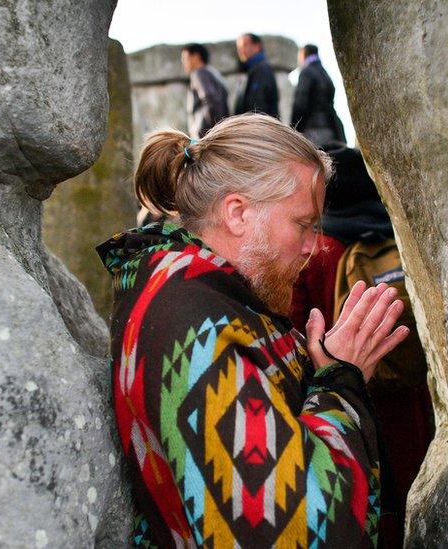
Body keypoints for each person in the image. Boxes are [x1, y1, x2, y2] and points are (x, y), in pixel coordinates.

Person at [97, 114, 410, 547]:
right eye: (302, 224)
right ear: (238, 213)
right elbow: (292, 530)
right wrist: (340, 384)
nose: (313, 244)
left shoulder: (201, 296)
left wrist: (324, 364)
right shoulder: (194, 325)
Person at [290, 144, 434, 548]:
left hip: (349, 395)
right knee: (411, 478)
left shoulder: (316, 251)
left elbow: (297, 327)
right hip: (407, 390)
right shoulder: (396, 236)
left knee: (369, 492)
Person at [290, 44, 346, 147]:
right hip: (331, 131)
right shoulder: (325, 74)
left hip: (312, 132)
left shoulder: (306, 72)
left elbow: (300, 104)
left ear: (304, 54)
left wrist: (293, 130)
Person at [181, 43, 229, 139]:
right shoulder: (211, 72)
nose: (183, 62)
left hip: (205, 136)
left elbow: (210, 100)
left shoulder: (199, 74)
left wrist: (209, 134)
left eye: (185, 58)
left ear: (196, 56)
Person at [233, 33, 279, 118]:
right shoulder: (250, 70)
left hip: (258, 127)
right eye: (238, 47)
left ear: (257, 46)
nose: (240, 50)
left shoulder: (262, 69)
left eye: (244, 45)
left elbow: (258, 104)